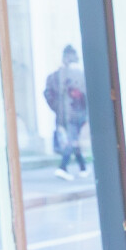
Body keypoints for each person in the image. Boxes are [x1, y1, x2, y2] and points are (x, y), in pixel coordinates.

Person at [44, 46, 87, 178]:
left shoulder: (59, 76)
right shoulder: (67, 76)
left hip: (70, 114)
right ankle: (63, 167)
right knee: (72, 140)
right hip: (73, 115)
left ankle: (83, 167)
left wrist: (57, 108)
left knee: (73, 140)